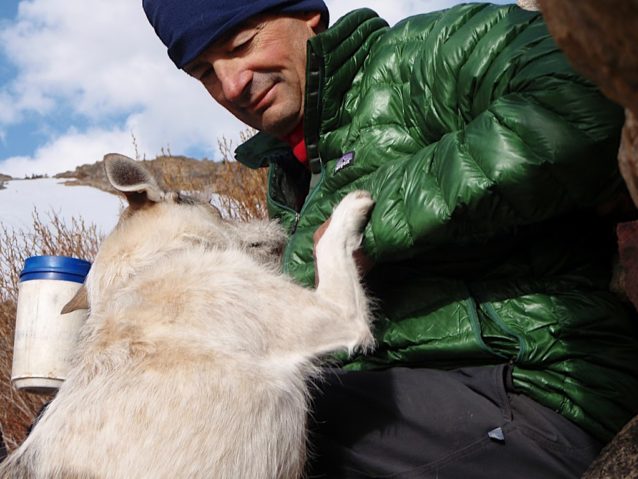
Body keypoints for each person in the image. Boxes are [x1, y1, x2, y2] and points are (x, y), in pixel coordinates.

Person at [142, 0, 638, 477]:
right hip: (418, 412)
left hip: (540, 388)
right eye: (205, 73)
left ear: (306, 15)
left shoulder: (421, 57)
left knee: (248, 419)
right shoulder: (290, 177)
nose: (232, 84)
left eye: (243, 44)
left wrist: (365, 226)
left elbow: (589, 94)